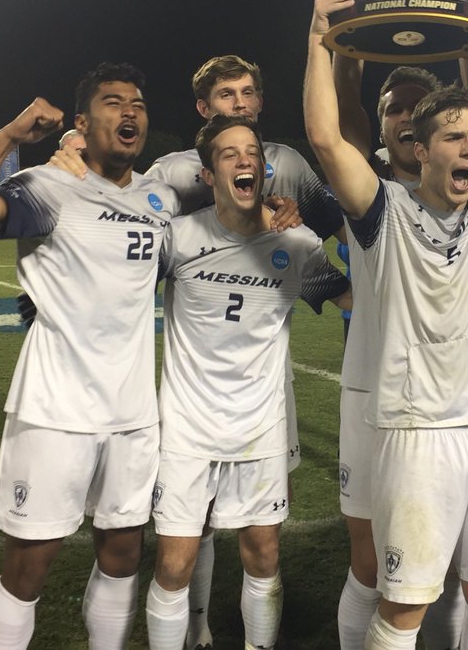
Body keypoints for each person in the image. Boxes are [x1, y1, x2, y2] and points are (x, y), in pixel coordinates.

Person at [306, 0, 468, 649]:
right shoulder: (382, 211)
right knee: (404, 604)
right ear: (421, 148)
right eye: (455, 137)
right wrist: (316, 38)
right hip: (415, 433)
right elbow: (328, 138)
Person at [0, 62, 176, 650]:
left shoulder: (160, 197)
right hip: (54, 411)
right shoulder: (47, 186)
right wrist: (7, 138)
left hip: (134, 415)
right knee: (28, 570)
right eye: (113, 103)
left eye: (137, 103)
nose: (130, 112)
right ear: (85, 124)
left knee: (123, 557)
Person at [330, 0, 468, 648]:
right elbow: (334, 121)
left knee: (466, 565)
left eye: (416, 106)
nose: (406, 116)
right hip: (373, 388)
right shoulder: (370, 187)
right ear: (380, 124)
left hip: (458, 399)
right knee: (376, 568)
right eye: (393, 108)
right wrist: (347, 27)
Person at [143, 53, 342, 650]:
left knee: (263, 550)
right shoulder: (176, 234)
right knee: (175, 559)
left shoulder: (295, 241)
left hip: (260, 422)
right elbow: (117, 268)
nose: (244, 161)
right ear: (206, 171)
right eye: (228, 155)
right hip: (186, 423)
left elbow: (349, 292)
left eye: (251, 154)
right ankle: (191, 634)